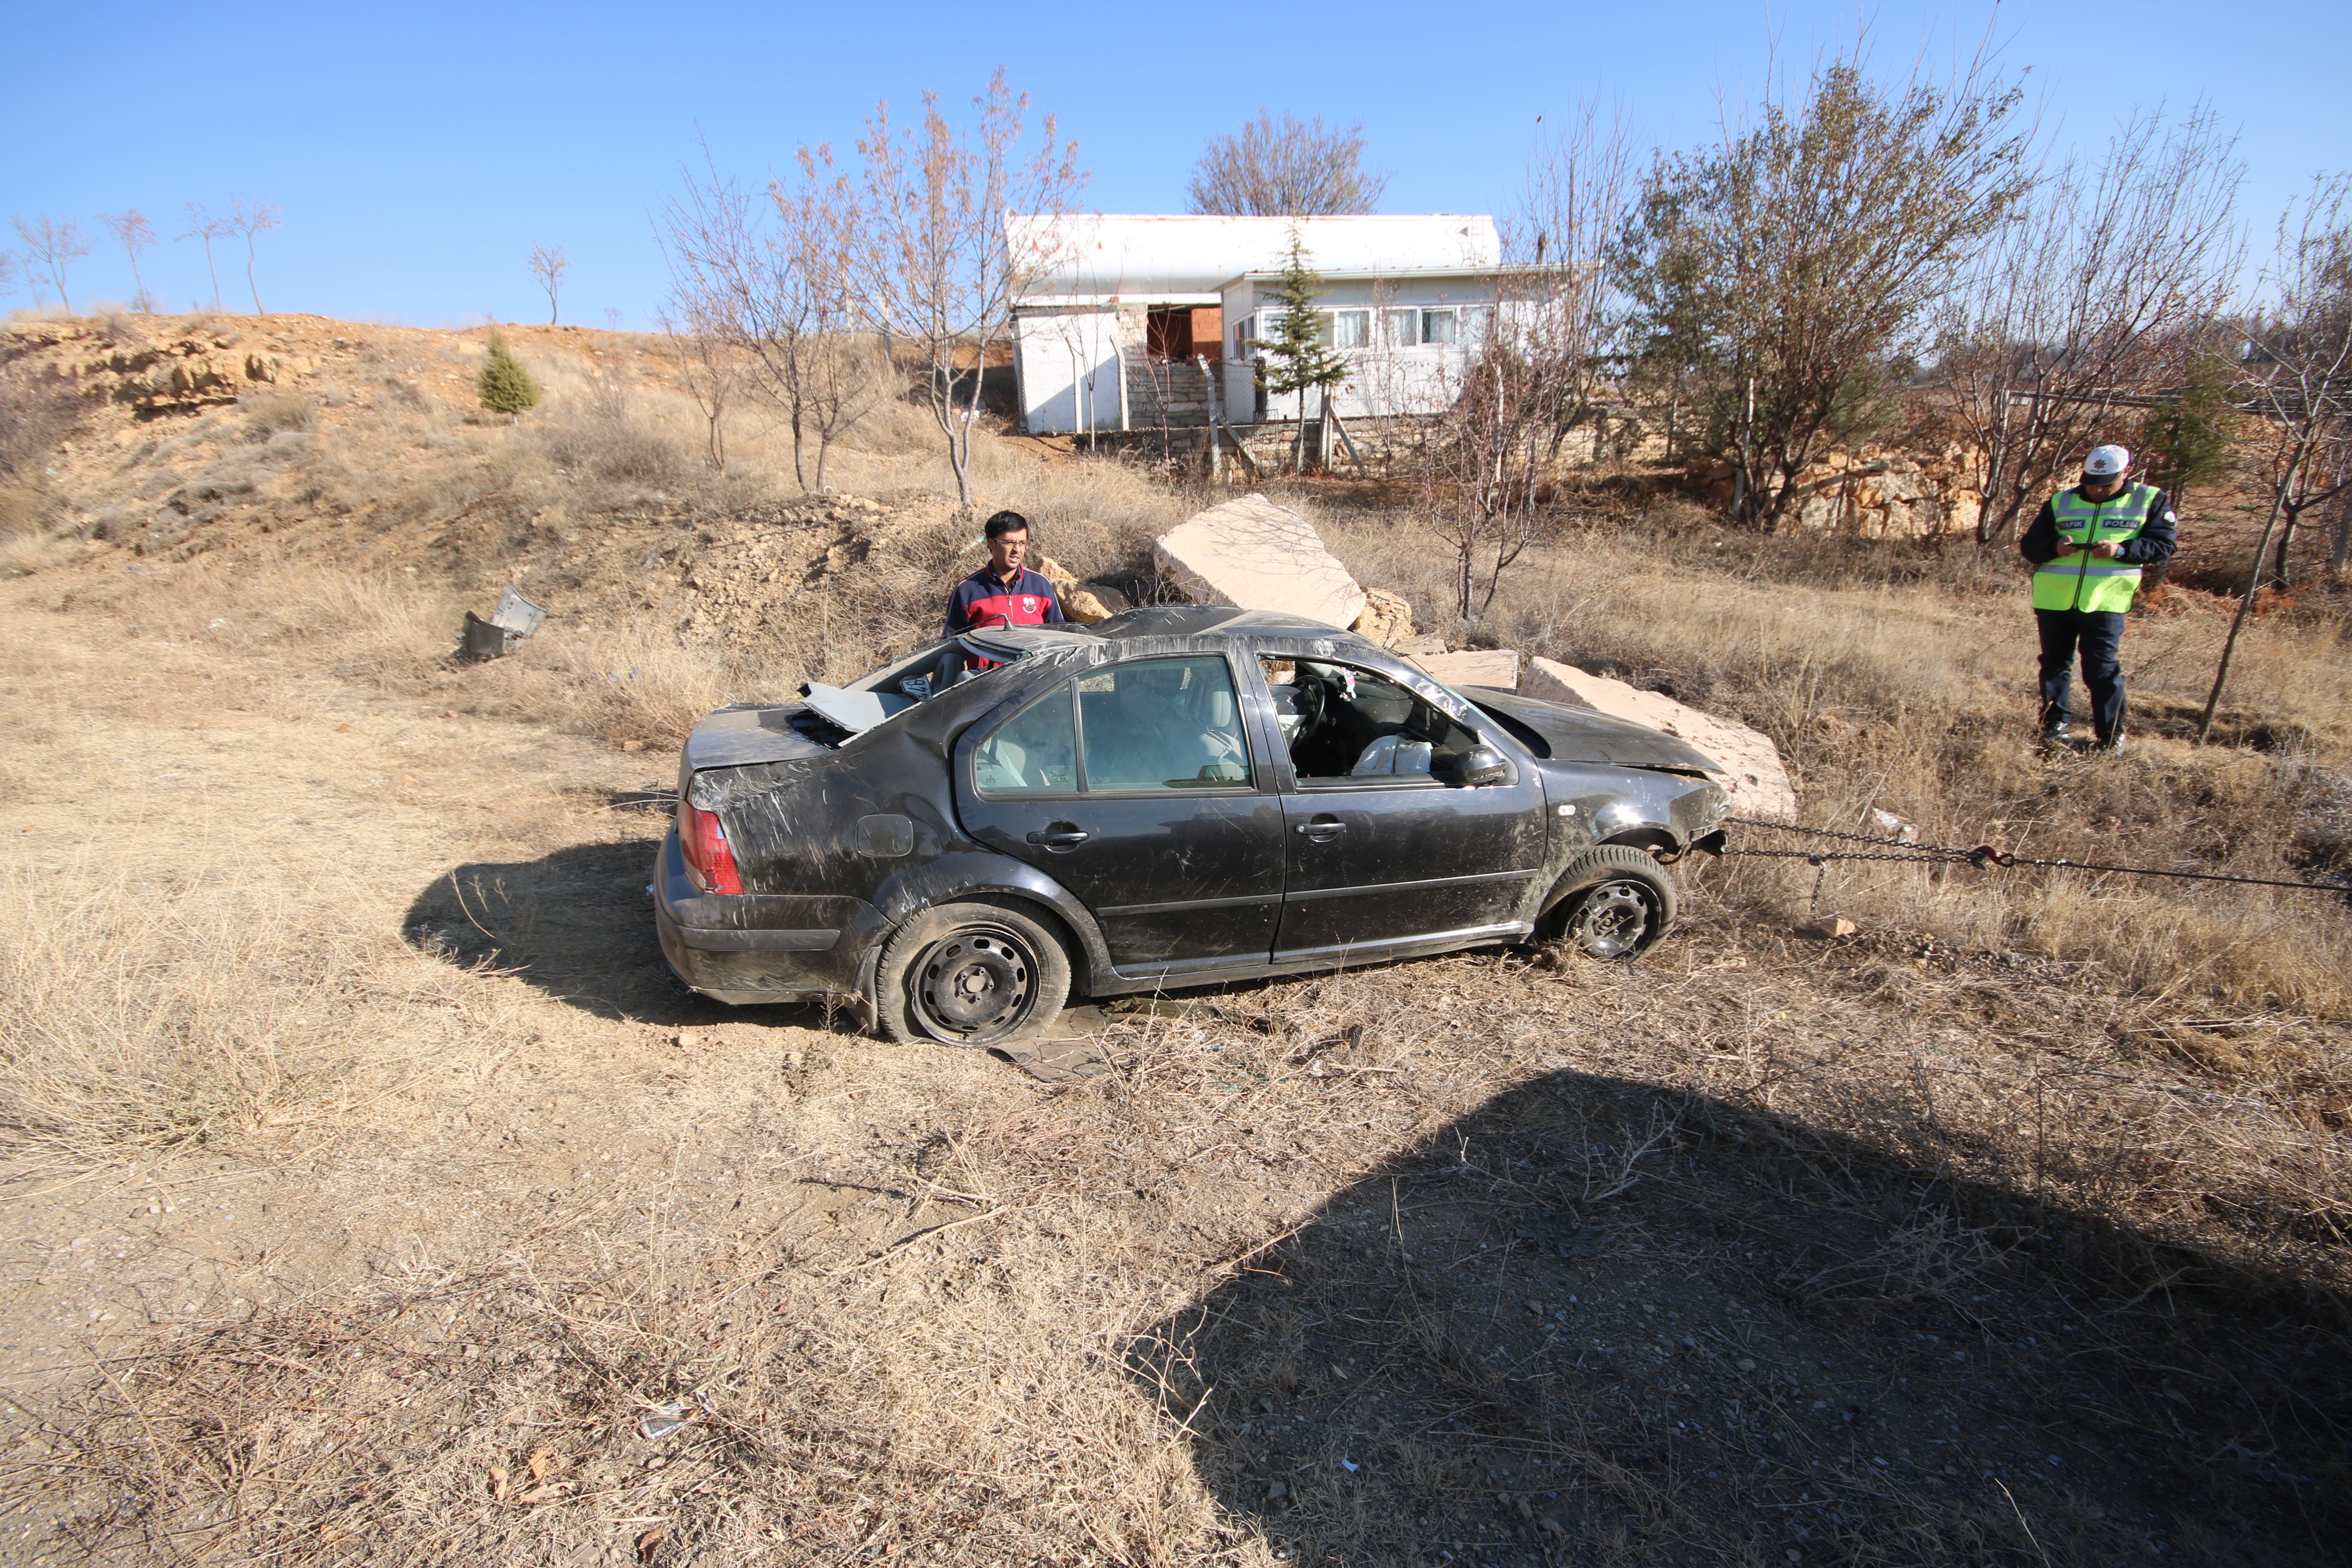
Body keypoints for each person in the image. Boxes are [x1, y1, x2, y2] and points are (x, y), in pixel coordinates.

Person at [2019, 443, 2177, 755]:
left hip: (2107, 600)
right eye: (2091, 480)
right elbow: (2030, 545)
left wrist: (2121, 551)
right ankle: (2054, 724)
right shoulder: (2061, 501)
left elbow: (2163, 545)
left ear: (2125, 474)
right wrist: (2055, 547)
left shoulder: (2150, 500)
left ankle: (2111, 733)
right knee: (2054, 665)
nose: (2096, 488)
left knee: (2101, 669)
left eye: (2105, 484)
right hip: (2055, 598)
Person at [944, 510, 1064, 638]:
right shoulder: (967, 590)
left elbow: (1060, 636)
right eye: (1010, 543)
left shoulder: (1041, 585)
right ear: (992, 544)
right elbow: (950, 644)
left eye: (1022, 543)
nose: (1017, 550)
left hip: (1037, 659)